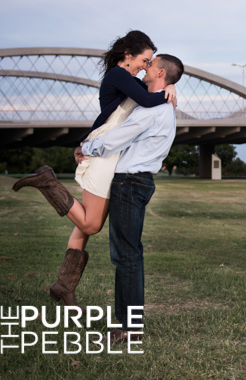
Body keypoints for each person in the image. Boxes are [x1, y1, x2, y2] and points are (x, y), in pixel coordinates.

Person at [12, 31, 177, 308]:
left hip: (110, 153)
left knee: (84, 226)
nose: (146, 67)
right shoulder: (119, 76)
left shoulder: (131, 80)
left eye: (150, 63)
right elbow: (148, 100)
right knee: (90, 223)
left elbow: (149, 89)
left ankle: (64, 286)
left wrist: (170, 84)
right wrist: (167, 91)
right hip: (104, 152)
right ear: (128, 55)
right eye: (144, 60)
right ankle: (47, 183)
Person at [77, 53, 183, 343]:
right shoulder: (160, 103)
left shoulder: (153, 109)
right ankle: (130, 323)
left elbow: (117, 138)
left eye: (151, 64)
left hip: (129, 182)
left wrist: (86, 147)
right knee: (130, 253)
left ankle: (128, 327)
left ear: (161, 73)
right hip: (139, 182)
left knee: (125, 255)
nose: (145, 68)